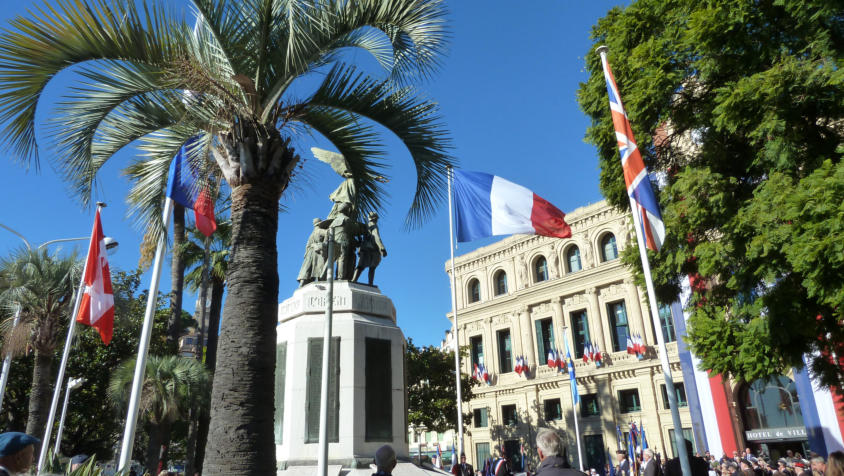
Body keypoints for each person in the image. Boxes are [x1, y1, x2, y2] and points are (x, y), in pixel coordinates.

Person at [352, 211, 387, 286]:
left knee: (361, 266)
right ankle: (369, 283)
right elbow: (376, 237)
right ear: (375, 219)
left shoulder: (366, 226)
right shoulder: (374, 226)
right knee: (371, 267)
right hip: (371, 250)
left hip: (364, 249)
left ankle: (354, 280)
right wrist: (382, 248)